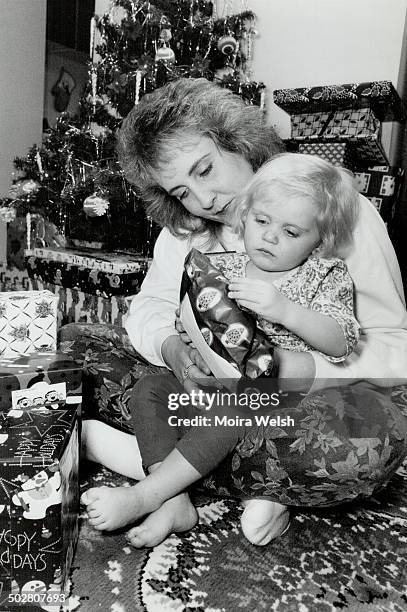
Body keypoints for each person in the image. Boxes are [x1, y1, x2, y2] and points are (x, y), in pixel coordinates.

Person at [81, 78, 407, 548]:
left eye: (205, 169)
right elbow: (147, 308)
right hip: (207, 396)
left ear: (236, 140)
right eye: (181, 191)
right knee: (77, 344)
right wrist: (172, 349)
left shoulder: (336, 209)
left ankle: (153, 466)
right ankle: (256, 485)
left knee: (372, 444)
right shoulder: (188, 226)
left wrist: (299, 369)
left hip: (302, 401)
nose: (203, 200)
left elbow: (394, 349)